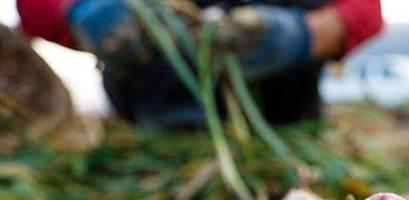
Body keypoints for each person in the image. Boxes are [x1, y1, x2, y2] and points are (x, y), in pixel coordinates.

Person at [16, 0, 383, 127]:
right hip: (148, 138)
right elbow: (34, 8)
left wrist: (305, 34)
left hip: (281, 131)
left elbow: (367, 11)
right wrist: (78, 11)